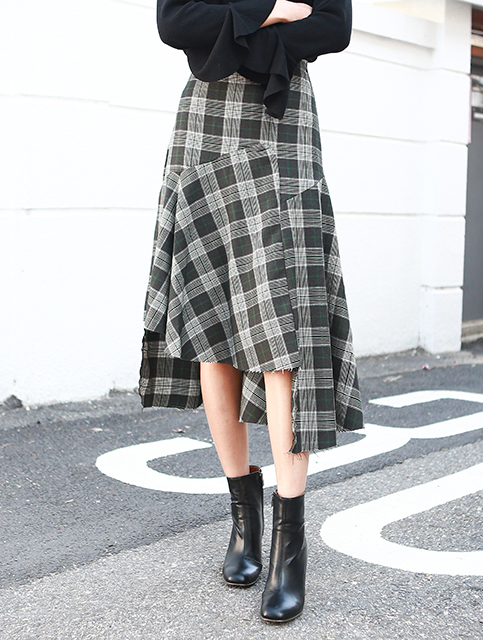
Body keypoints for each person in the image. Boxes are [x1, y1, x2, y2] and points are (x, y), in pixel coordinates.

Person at [139, 0, 363, 623]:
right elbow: (176, 23)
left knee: (281, 334)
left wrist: (235, 25)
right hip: (206, 126)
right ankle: (244, 515)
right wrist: (272, 11)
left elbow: (333, 26)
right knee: (211, 328)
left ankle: (290, 544)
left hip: (284, 123)